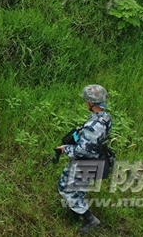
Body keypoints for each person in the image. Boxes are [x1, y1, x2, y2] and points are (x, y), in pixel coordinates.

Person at [56, 84, 113, 234]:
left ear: (91, 103)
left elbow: (83, 150)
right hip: (95, 160)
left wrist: (66, 149)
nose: (86, 103)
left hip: (85, 161)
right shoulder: (105, 117)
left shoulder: (93, 126)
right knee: (79, 189)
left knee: (66, 188)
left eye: (87, 101)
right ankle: (75, 215)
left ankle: (89, 218)